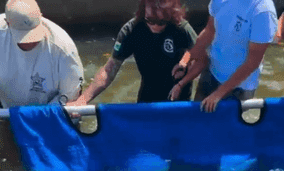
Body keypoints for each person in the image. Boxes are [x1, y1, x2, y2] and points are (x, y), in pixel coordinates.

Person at [0, 0, 84, 125]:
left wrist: (38, 118)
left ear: (41, 16)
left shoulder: (63, 47)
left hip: (53, 114)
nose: (30, 42)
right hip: (9, 111)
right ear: (7, 23)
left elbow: (71, 96)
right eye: (23, 37)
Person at [67, 0, 197, 106]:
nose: (155, 27)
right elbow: (109, 69)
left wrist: (185, 62)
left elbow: (198, 54)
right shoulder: (131, 30)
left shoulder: (182, 29)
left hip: (179, 100)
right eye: (150, 20)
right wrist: (83, 99)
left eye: (162, 22)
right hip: (147, 99)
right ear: (143, 11)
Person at [172, 0, 278, 112]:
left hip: (239, 88)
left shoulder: (263, 11)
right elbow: (209, 31)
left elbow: (253, 63)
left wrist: (218, 94)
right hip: (210, 73)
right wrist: (186, 59)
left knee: (226, 128)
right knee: (197, 120)